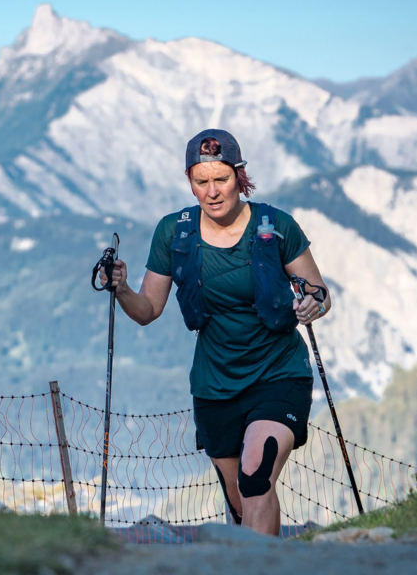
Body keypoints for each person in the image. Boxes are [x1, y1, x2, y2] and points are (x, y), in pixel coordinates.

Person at [98, 128, 331, 536]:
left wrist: (314, 303)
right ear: (189, 180)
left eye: (221, 179)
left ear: (240, 177)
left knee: (256, 476)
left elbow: (321, 294)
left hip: (279, 373)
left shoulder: (276, 226)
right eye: (200, 181)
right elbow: (147, 310)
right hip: (214, 385)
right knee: (240, 503)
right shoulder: (175, 232)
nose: (212, 191)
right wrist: (120, 289)